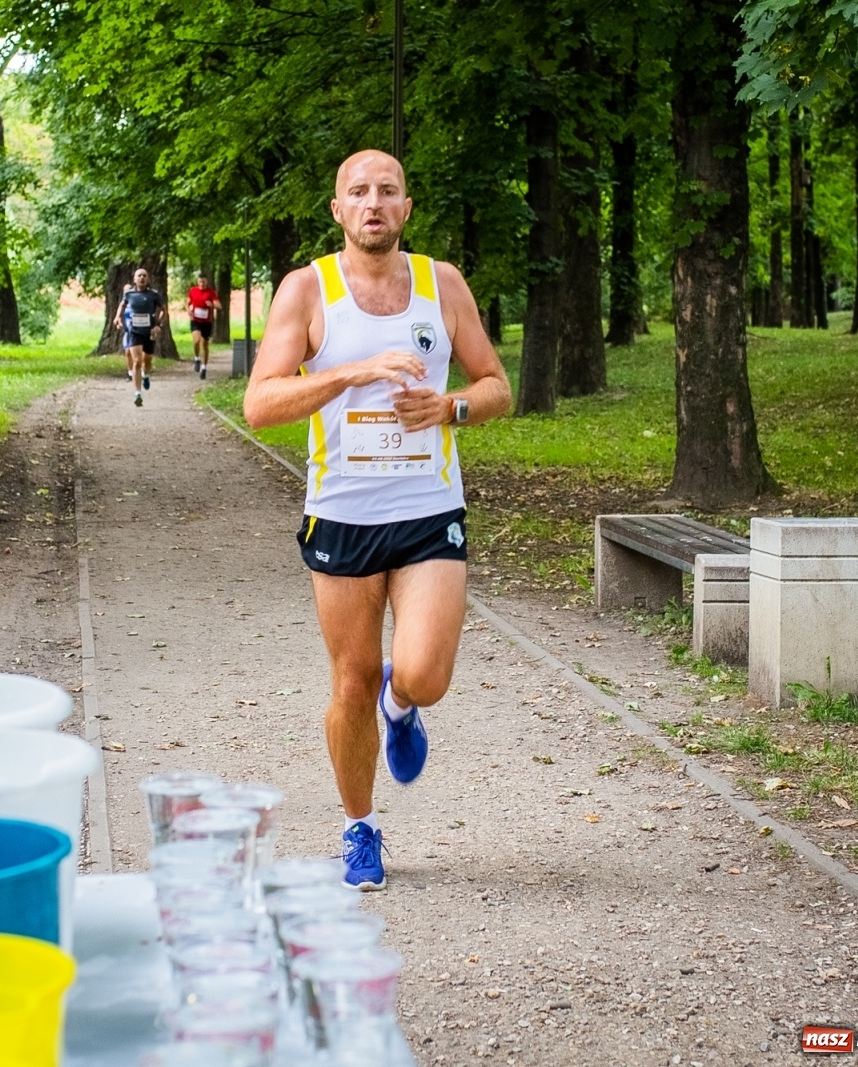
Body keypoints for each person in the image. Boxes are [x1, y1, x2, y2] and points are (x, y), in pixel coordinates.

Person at [243, 150, 512, 891]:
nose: (372, 204)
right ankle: (359, 827)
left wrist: (450, 405)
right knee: (350, 681)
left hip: (428, 508)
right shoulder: (308, 290)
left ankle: (405, 704)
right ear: (337, 210)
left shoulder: (441, 283)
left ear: (406, 207)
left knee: (422, 673)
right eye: (358, 192)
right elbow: (261, 404)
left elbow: (496, 385)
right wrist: (349, 373)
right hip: (343, 515)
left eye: (386, 192)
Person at [112, 267, 163, 407]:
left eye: (144, 276)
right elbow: (122, 306)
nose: (142, 278)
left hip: (150, 332)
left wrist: (159, 324)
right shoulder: (129, 294)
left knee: (147, 361)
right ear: (134, 279)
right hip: (134, 331)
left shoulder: (154, 294)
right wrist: (117, 318)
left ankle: (145, 375)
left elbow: (164, 310)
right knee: (136, 361)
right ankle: (137, 394)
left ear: (148, 279)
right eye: (139, 275)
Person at [186, 272, 221, 380]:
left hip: (206, 322)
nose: (202, 283)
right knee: (196, 341)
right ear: (197, 281)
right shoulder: (193, 291)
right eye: (200, 281)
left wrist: (212, 305)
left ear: (207, 282)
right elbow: (187, 303)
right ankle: (197, 358)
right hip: (195, 320)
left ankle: (204, 367)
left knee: (205, 344)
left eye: (204, 281)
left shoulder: (211, 292)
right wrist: (189, 311)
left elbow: (219, 305)